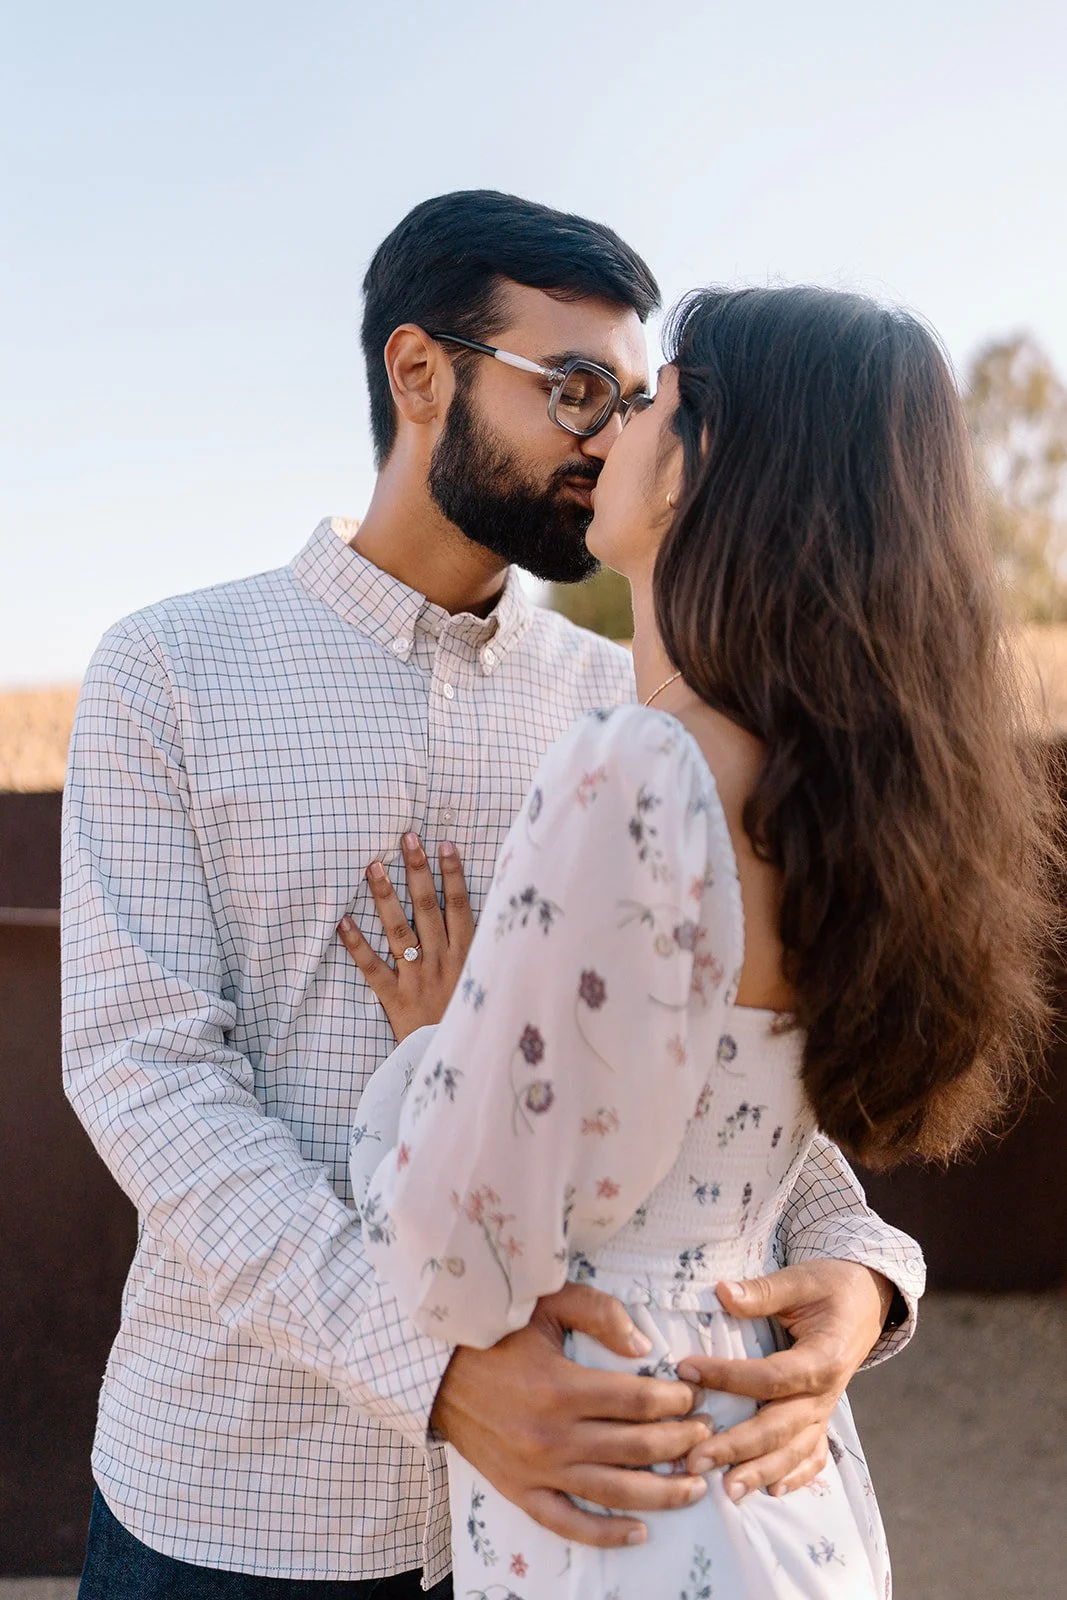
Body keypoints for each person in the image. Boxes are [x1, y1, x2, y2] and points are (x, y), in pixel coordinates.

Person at [63, 195, 923, 1598]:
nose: (606, 435)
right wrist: (435, 1371)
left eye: (634, 401)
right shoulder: (171, 670)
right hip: (247, 1499)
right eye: (572, 389)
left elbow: (715, 1082)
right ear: (420, 374)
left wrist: (863, 1269)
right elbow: (144, 1073)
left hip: (578, 1524)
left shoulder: (628, 709)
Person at [345, 285, 1057, 1598]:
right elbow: (747, 1135)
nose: (609, 431)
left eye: (647, 400)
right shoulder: (846, 799)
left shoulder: (637, 772)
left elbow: (454, 1257)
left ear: (702, 466)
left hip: (624, 1486)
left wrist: (432, 1046)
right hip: (785, 1483)